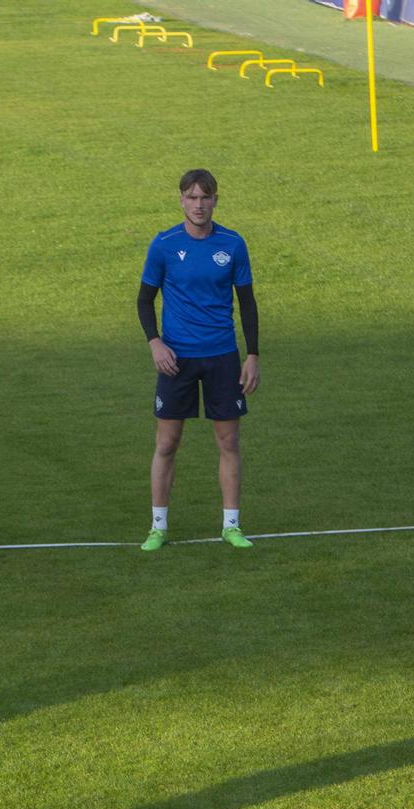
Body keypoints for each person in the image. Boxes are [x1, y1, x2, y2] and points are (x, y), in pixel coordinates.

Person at [138, 168, 261, 553]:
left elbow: (247, 303)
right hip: (177, 359)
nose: (198, 204)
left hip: (222, 356)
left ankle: (231, 526)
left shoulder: (233, 244)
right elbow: (144, 300)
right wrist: (155, 343)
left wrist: (252, 354)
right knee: (167, 442)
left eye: (205, 197)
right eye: (191, 197)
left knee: (228, 441)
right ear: (181, 201)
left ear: (215, 201)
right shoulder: (164, 245)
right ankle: (158, 527)